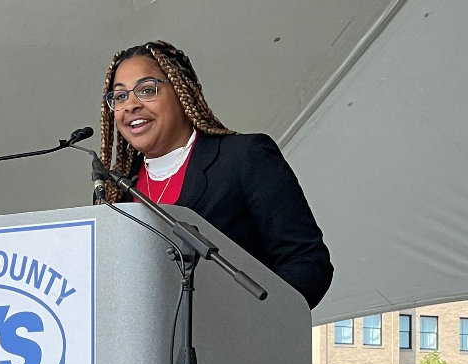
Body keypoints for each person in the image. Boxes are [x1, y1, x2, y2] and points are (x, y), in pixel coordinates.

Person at [98, 41, 333, 308]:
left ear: (181, 90)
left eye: (146, 90)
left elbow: (307, 263)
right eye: (119, 96)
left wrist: (255, 321)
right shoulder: (114, 189)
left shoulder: (244, 157)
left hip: (237, 342)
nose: (130, 105)